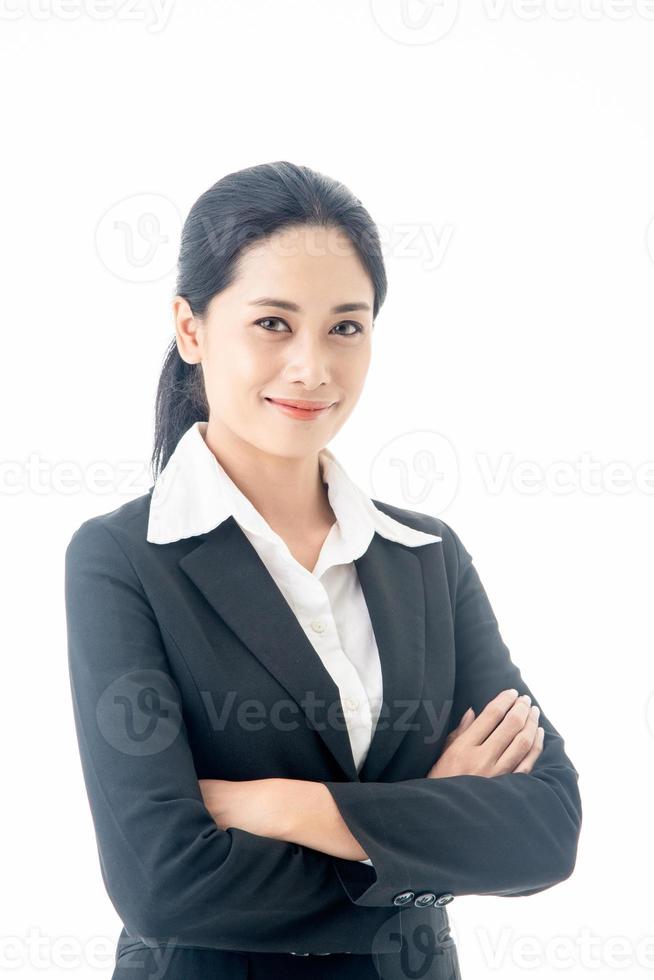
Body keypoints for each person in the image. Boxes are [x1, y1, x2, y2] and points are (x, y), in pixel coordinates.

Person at [64, 161, 582, 980]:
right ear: (191, 329)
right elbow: (164, 884)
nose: (313, 367)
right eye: (273, 323)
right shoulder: (125, 558)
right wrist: (428, 832)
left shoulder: (427, 556)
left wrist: (284, 806)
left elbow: (546, 829)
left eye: (346, 326)